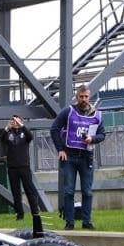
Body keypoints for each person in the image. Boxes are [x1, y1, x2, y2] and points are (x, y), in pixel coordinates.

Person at [49, 85, 106, 230]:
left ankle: (87, 221)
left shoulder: (97, 115)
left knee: (87, 191)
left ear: (89, 96)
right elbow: (54, 128)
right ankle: (70, 222)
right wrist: (60, 149)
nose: (84, 99)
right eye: (81, 97)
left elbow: (102, 135)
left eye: (86, 96)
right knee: (69, 191)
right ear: (77, 97)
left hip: (86, 157)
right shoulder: (68, 111)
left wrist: (92, 139)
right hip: (69, 157)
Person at [0, 115, 43, 220]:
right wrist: (7, 127)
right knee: (15, 191)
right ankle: (19, 214)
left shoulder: (24, 132)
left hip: (24, 166)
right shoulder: (9, 133)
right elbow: (2, 139)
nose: (14, 122)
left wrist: (21, 125)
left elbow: (30, 136)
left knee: (29, 190)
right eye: (12, 120)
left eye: (16, 120)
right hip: (12, 166)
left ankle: (35, 212)